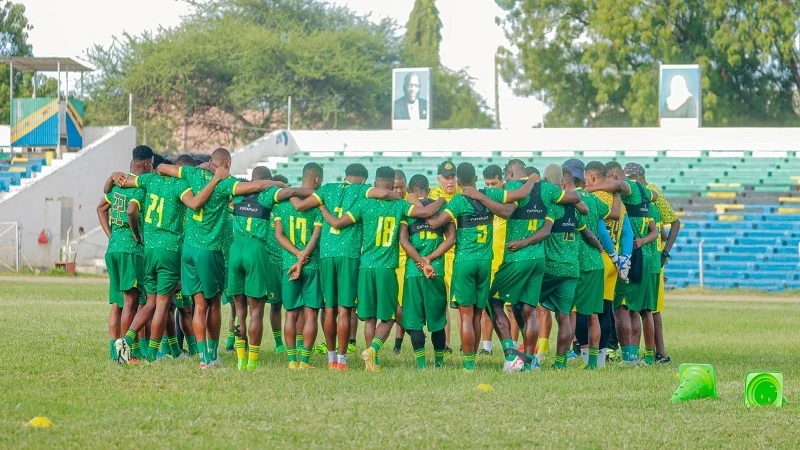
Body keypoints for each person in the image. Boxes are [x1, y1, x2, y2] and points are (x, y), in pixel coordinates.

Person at [157, 147, 285, 369]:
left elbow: (160, 167)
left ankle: (203, 359)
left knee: (198, 305)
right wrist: (280, 185)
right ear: (227, 164)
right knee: (213, 304)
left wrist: (203, 167)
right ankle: (212, 354)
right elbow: (257, 186)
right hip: (209, 249)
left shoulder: (192, 174)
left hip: (188, 248)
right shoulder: (226, 184)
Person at [319, 166, 443, 371]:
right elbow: (427, 212)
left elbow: (338, 223)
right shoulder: (399, 206)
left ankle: (373, 362)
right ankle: (373, 351)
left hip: (365, 268)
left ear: (375, 184)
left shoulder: (363, 204)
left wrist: (323, 207)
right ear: (392, 185)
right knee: (389, 317)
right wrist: (442, 200)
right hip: (387, 268)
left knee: (369, 318)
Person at [110, 153, 225, 364]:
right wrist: (216, 178)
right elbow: (196, 203)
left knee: (151, 302)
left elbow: (125, 181)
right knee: (163, 304)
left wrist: (114, 175)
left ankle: (125, 340)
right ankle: (153, 355)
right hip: (170, 249)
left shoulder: (150, 179)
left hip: (149, 249)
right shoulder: (180, 185)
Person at [425, 162, 535, 371]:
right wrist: (531, 179)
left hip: (465, 261)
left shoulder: (457, 201)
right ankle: (477, 359)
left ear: (458, 181)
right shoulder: (490, 195)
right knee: (477, 313)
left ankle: (469, 365)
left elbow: (436, 223)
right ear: (476, 178)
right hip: (486, 262)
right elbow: (518, 195)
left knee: (466, 314)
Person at [289, 163, 398, 370]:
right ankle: (341, 361)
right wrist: (399, 198)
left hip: (327, 255)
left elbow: (299, 206)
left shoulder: (328, 188)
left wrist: (292, 192)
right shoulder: (363, 190)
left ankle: (330, 359)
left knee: (329, 309)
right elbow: (384, 193)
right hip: (349, 255)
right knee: (344, 310)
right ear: (364, 179)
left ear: (345, 176)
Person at [228, 166, 313, 370]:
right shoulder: (267, 195)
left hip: (235, 248)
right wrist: (315, 194)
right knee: (256, 311)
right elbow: (292, 192)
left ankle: (240, 358)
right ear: (267, 180)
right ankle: (252, 362)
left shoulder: (236, 192)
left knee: (239, 311)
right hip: (255, 249)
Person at [97, 145, 152, 361]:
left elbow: (101, 208)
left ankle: (115, 352)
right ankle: (125, 352)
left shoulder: (118, 182)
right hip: (130, 248)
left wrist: (111, 235)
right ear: (147, 164)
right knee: (132, 301)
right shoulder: (140, 187)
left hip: (114, 248)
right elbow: (131, 211)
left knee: (117, 303)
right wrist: (137, 235)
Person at [398, 174, 455, 369]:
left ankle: (422, 365)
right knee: (438, 321)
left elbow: (403, 240)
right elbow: (451, 238)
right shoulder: (440, 207)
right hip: (435, 270)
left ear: (411, 191)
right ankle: (439, 363)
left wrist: (420, 261)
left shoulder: (408, 209)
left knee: (414, 322)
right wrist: (430, 259)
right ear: (429, 190)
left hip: (414, 271)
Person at [564, 159, 614, 369]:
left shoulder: (565, 201)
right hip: (595, 262)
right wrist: (618, 195)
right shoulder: (592, 200)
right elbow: (615, 214)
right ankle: (594, 363)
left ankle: (563, 359)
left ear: (564, 184)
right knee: (593, 314)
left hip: (573, 262)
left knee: (568, 314)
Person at [538, 165, 589, 370]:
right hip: (571, 268)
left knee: (527, 306)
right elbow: (584, 210)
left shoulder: (549, 206)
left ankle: (531, 356)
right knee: (564, 316)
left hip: (551, 267)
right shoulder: (573, 208)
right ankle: (560, 363)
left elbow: (543, 232)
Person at [274, 163, 325, 370]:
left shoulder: (283, 203)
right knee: (311, 313)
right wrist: (304, 256)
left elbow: (278, 235)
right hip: (312, 264)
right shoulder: (318, 204)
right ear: (317, 180)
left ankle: (292, 361)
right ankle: (305, 361)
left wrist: (295, 257)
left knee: (291, 313)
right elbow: (316, 235)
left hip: (289, 265)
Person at [429, 161, 462, 353]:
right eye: (446, 178)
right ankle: (446, 344)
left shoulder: (463, 193)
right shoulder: (433, 195)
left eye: (452, 177)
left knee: (461, 303)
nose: (450, 181)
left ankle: (470, 344)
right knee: (441, 303)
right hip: (440, 255)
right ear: (439, 179)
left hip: (457, 255)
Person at [480, 164, 506, 356]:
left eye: (494, 183)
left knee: (512, 308)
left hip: (506, 264)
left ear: (502, 181)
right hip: (489, 264)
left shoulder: (509, 202)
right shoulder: (484, 202)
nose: (491, 187)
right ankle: (486, 347)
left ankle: (512, 344)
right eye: (488, 183)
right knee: (486, 306)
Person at [267, 174, 290, 355]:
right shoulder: (266, 207)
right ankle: (278, 343)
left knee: (294, 307)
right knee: (275, 305)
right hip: (272, 262)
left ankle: (297, 342)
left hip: (289, 261)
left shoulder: (290, 206)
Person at [393, 170, 409, 354]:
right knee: (392, 305)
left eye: (400, 187)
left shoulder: (409, 205)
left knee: (403, 304)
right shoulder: (385, 205)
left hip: (406, 262)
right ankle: (414, 332)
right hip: (389, 260)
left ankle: (397, 344)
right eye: (394, 187)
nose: (397, 191)